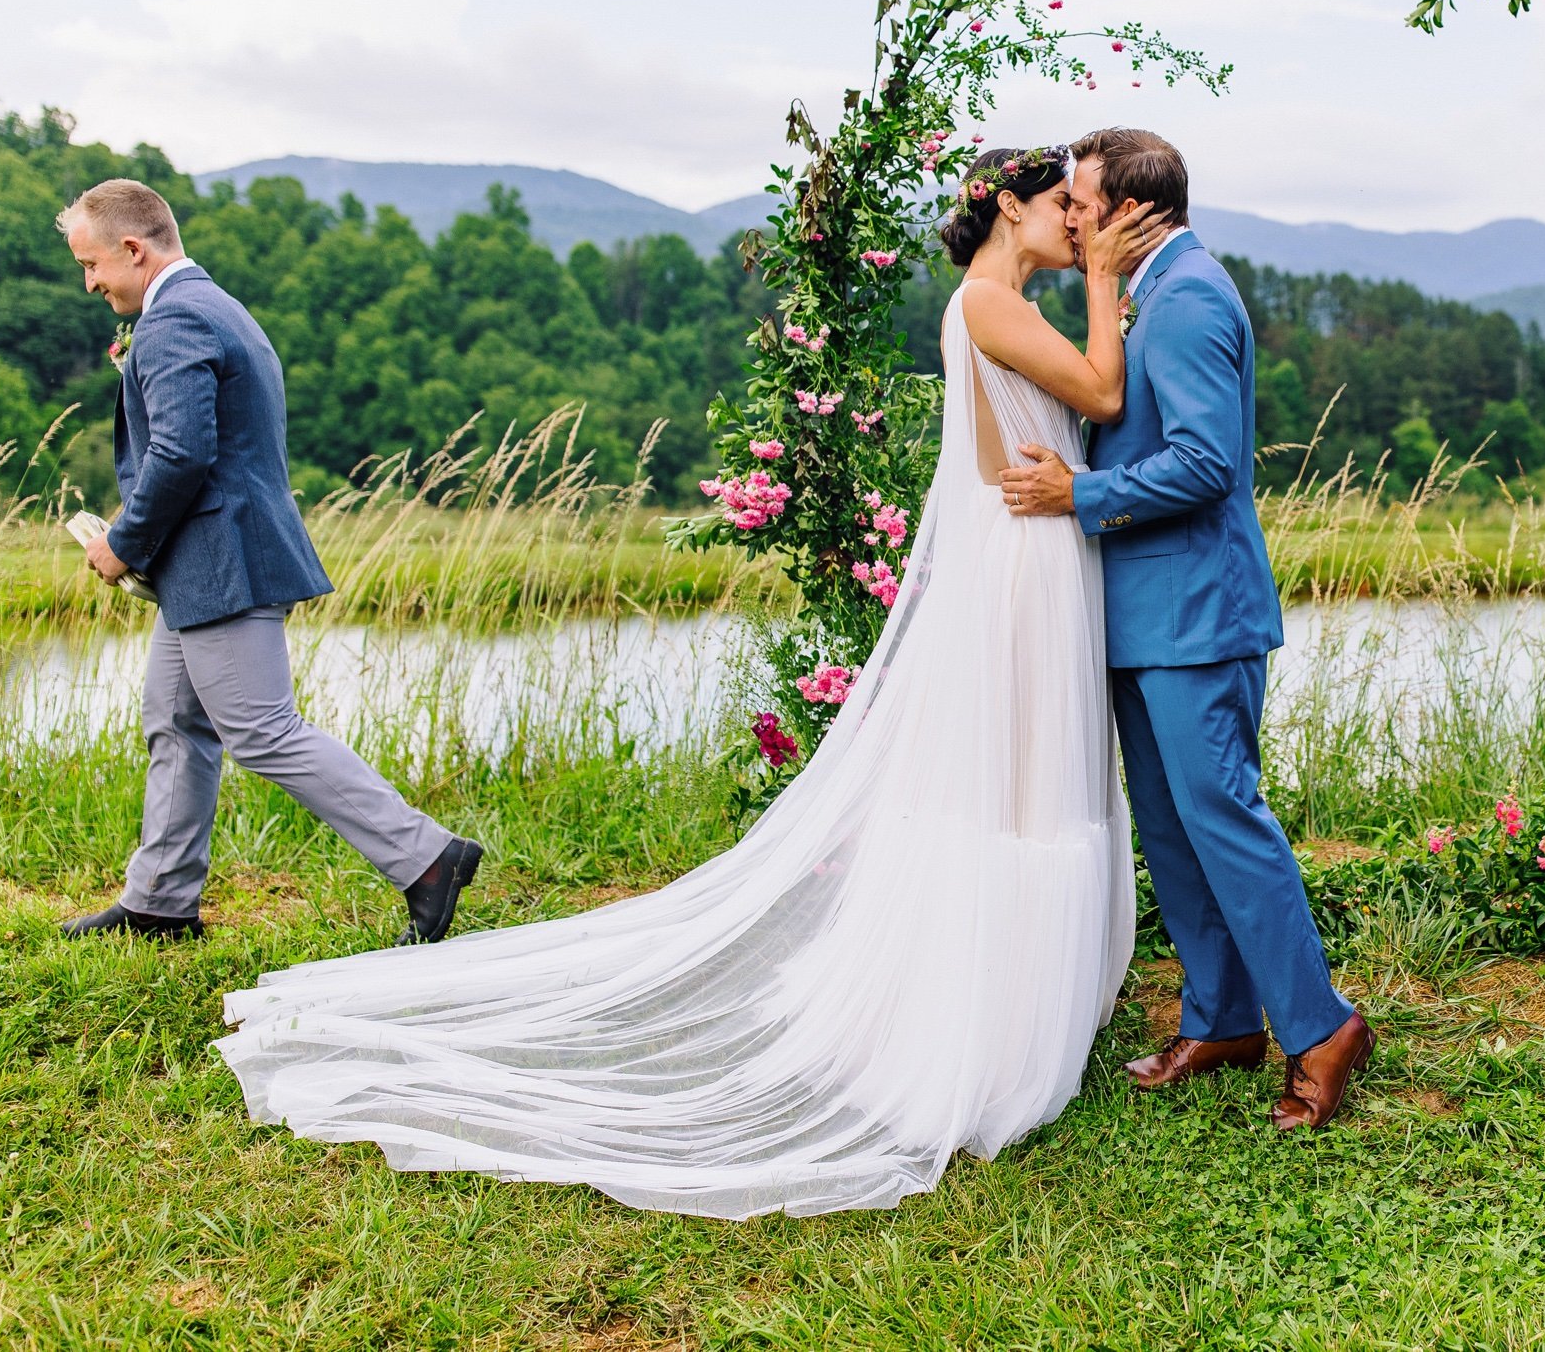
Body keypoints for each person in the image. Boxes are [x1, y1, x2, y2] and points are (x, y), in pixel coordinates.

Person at [214, 149, 1170, 1219]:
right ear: (1006, 206)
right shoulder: (991, 301)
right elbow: (1101, 388)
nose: (1080, 228)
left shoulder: (999, 301)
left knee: (1027, 779)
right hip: (1022, 559)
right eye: (1062, 210)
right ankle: (987, 1023)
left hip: (1037, 546)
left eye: (1086, 219)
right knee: (1015, 781)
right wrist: (1107, 285)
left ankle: (1008, 1004)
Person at [999, 127, 1373, 1132]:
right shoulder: (1142, 291)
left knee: (1225, 821)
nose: (1067, 215)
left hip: (1198, 616)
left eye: (1079, 199)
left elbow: (1208, 462)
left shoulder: (1193, 292)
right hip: (1136, 615)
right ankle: (1218, 1018)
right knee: (1168, 828)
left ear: (1127, 207)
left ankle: (1322, 1026)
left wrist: (1080, 494)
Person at [54, 178, 483, 947]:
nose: (88, 283)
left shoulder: (176, 319)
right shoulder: (216, 304)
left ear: (133, 248)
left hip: (223, 561)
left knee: (261, 731)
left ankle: (426, 856)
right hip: (209, 562)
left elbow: (183, 453)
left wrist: (121, 543)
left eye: (92, 265)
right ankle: (159, 899)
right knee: (177, 719)